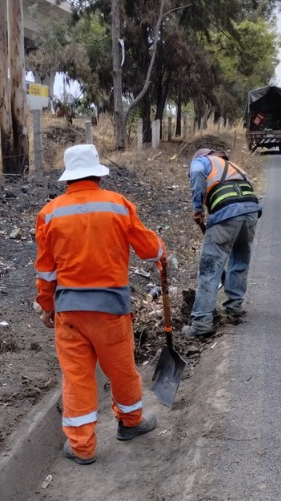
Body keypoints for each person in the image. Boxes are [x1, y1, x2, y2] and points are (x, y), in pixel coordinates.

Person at [35, 144, 165, 465]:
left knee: (77, 376)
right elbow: (149, 249)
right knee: (121, 368)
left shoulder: (49, 214)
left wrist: (47, 306)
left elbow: (46, 271)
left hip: (70, 314)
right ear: (98, 174)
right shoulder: (118, 206)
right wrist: (161, 252)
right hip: (111, 310)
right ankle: (130, 423)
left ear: (68, 178)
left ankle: (81, 447)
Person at [183, 148, 261, 337]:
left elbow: (195, 173)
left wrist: (197, 207)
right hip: (251, 211)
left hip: (228, 213)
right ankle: (234, 308)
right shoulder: (233, 166)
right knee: (240, 259)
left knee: (209, 268)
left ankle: (201, 323)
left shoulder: (202, 161)